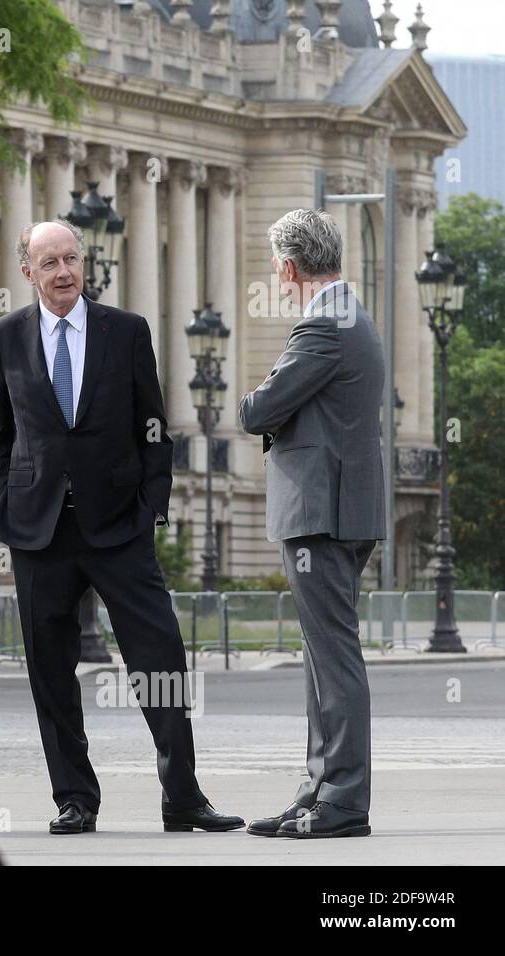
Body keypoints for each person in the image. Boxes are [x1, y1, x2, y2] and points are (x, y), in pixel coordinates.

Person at [0, 220, 242, 835]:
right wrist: (11, 499)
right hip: (40, 530)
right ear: (28, 272)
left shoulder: (126, 331)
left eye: (72, 258)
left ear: (85, 263)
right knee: (51, 668)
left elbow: (153, 424)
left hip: (120, 525)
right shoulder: (4, 336)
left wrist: (153, 504)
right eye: (49, 263)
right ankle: (75, 798)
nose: (64, 271)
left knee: (161, 658)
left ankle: (182, 795)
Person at [239, 209, 384, 839]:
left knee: (333, 656)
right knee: (322, 657)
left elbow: (257, 409)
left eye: (275, 263)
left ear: (287, 266)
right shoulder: (350, 315)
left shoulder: (322, 325)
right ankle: (319, 790)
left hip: (321, 512)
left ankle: (343, 800)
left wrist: (266, 391)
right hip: (342, 507)